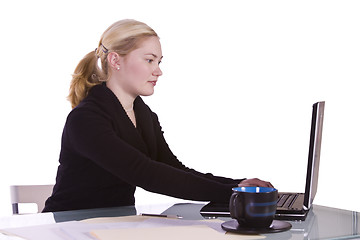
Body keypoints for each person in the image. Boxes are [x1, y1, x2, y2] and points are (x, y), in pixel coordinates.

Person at [43, 19, 273, 212]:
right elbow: (146, 173)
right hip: (69, 227)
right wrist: (232, 193)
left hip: (113, 226)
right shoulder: (86, 119)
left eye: (159, 61)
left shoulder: (143, 115)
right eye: (149, 60)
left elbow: (172, 168)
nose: (158, 71)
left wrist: (239, 186)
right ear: (115, 60)